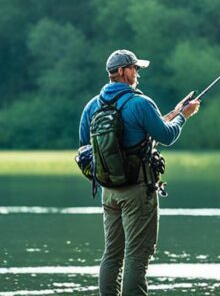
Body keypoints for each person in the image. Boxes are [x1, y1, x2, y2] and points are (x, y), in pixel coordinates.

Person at [78, 49, 201, 296]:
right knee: (137, 256)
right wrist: (184, 118)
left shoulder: (92, 106)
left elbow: (85, 150)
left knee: (111, 255)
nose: (138, 73)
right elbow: (166, 135)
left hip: (108, 193)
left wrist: (175, 112)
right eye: (135, 68)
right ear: (123, 72)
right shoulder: (141, 103)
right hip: (138, 191)